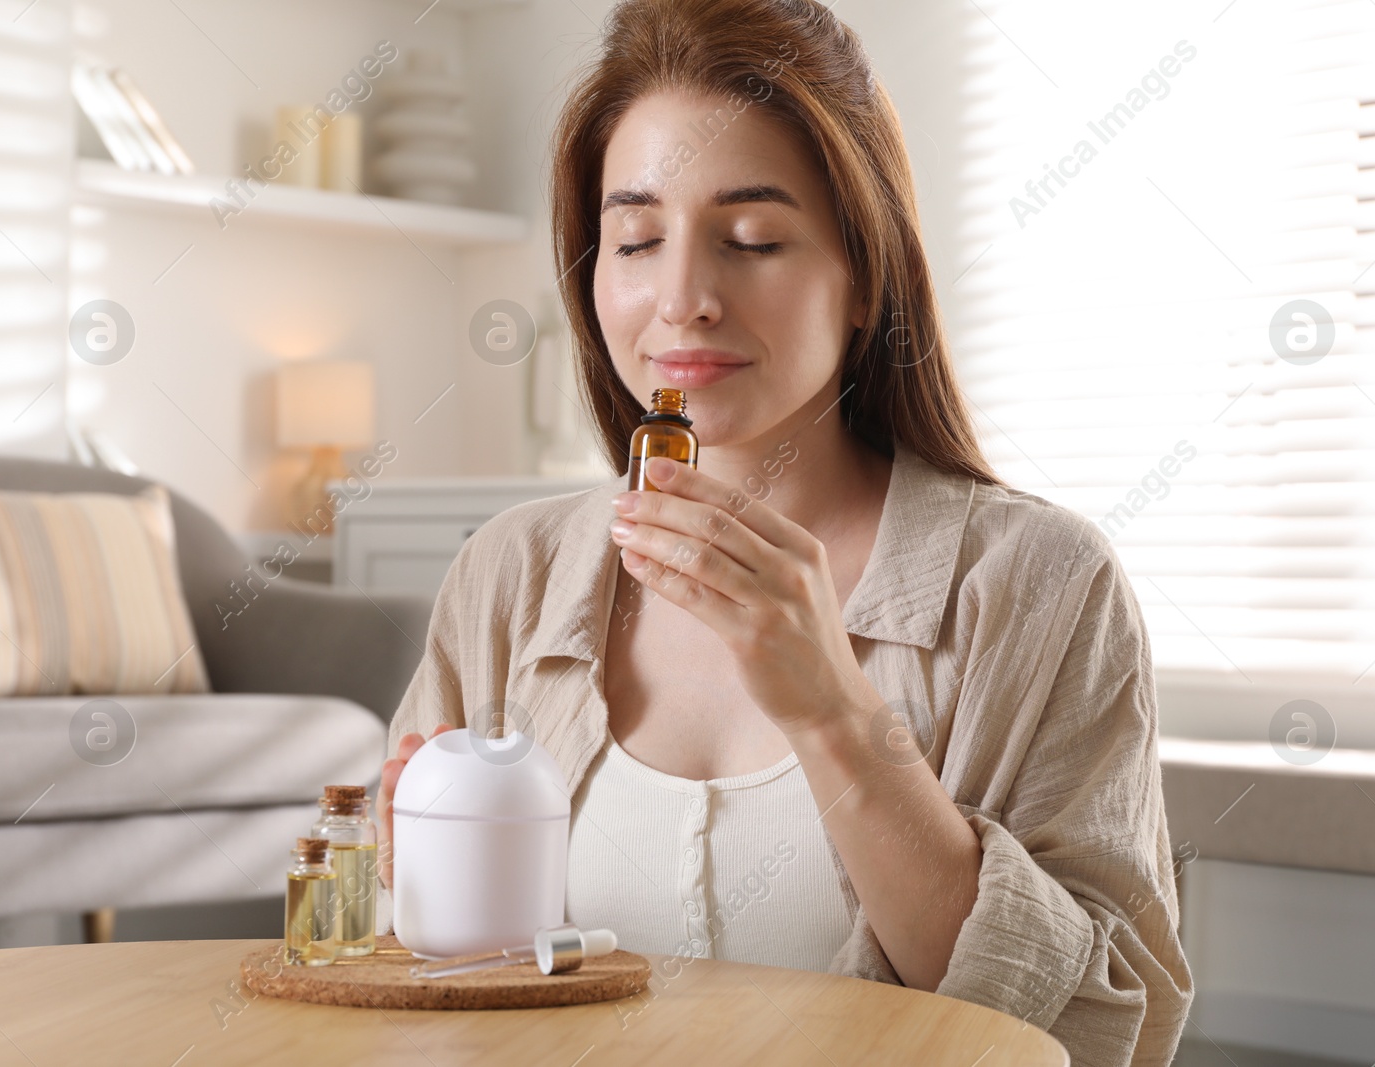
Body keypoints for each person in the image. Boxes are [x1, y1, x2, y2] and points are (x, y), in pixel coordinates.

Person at [377, 0, 1193, 1061]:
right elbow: (418, 984)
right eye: (634, 239)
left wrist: (834, 714)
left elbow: (1103, 1026)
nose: (682, 299)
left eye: (752, 238)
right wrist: (414, 874)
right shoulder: (510, 573)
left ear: (864, 273)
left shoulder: (1038, 584)